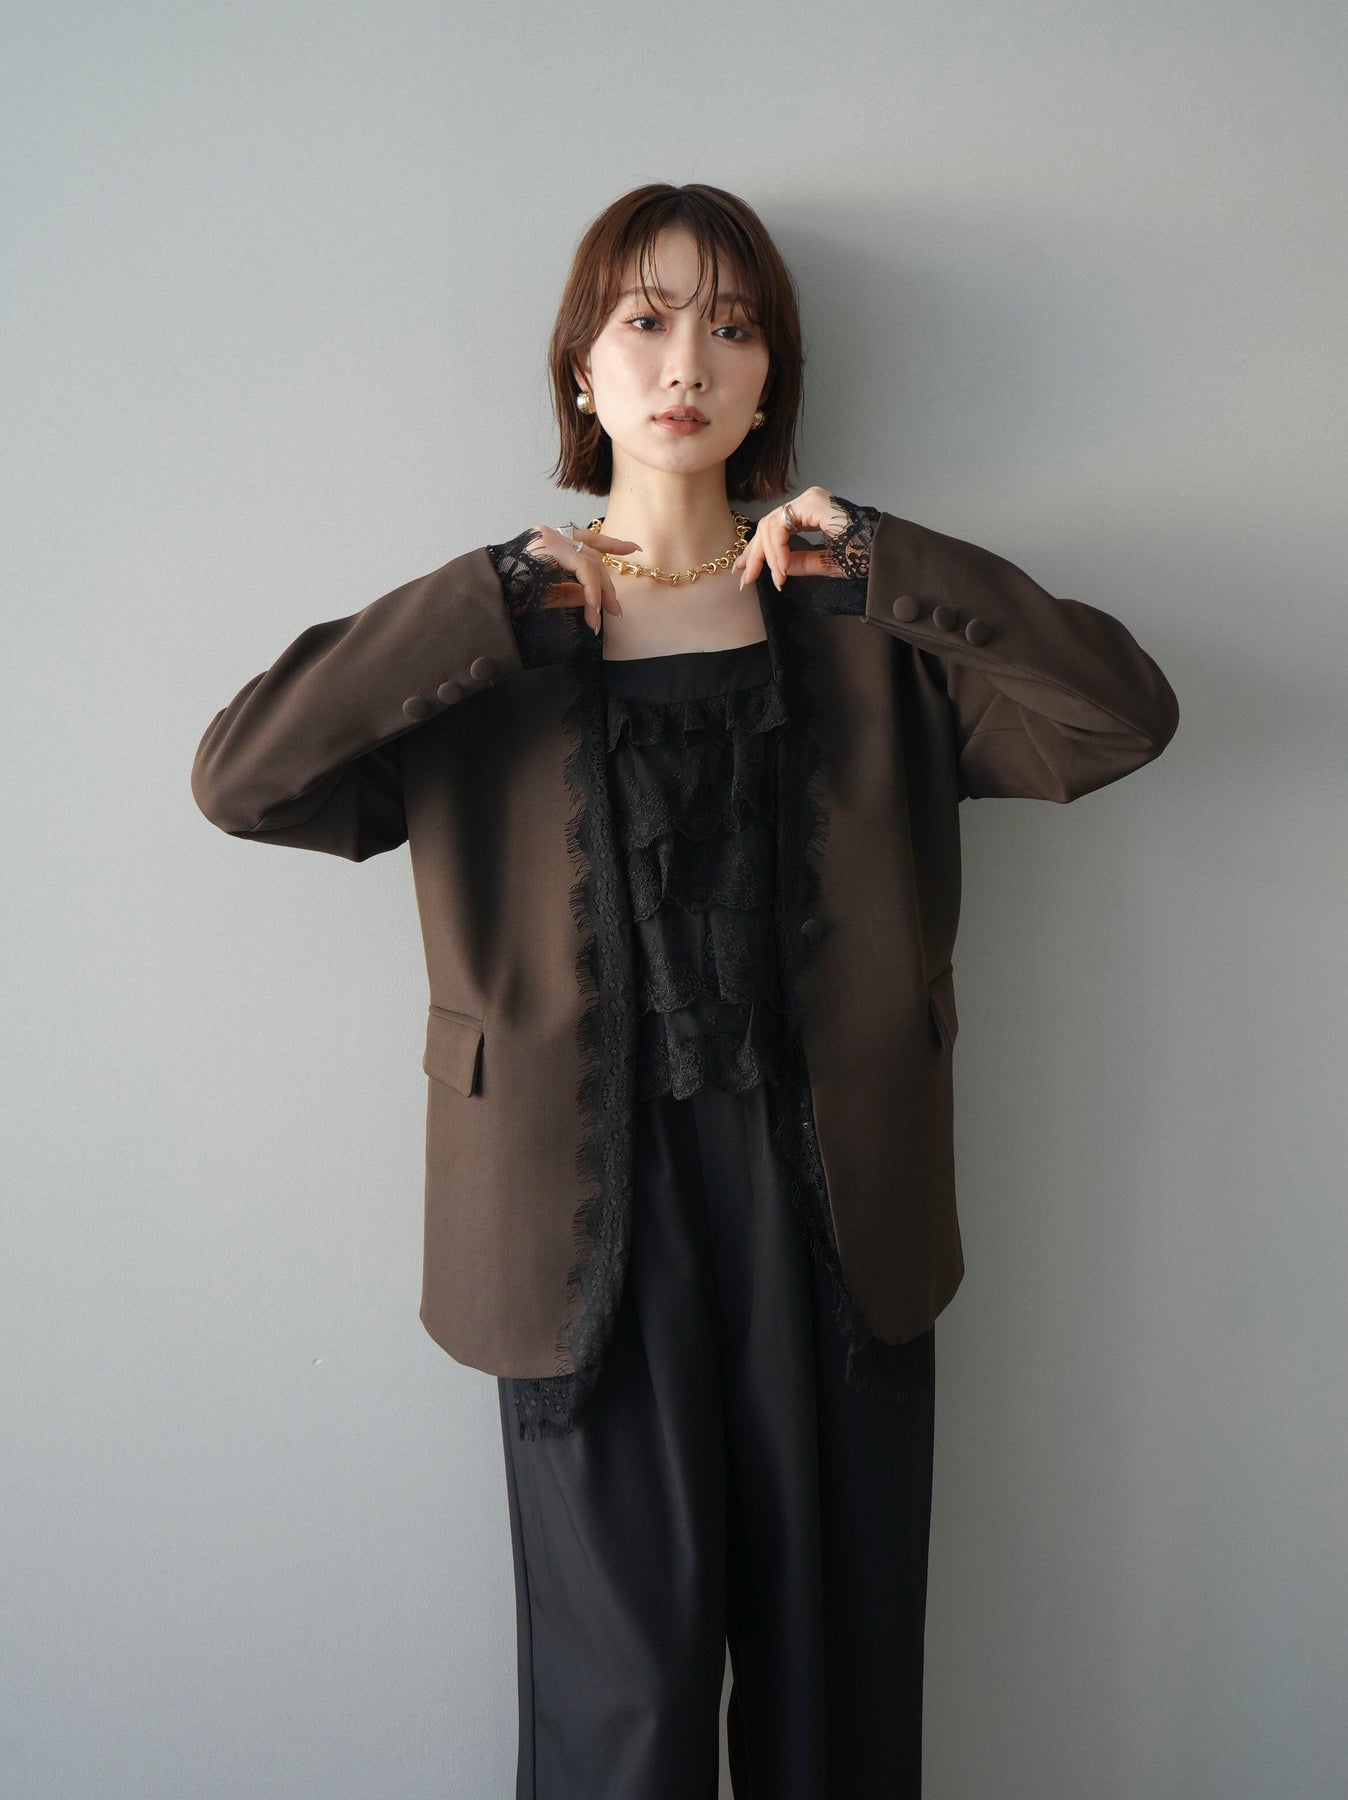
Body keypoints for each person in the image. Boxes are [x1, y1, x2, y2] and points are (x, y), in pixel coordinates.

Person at [191, 182, 1179, 1799]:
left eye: (732, 326)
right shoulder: (496, 639)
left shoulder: (859, 621)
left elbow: (1117, 717)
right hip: (580, 1224)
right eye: (644, 320)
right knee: (623, 1720)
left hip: (836, 1211)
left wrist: (892, 559)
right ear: (579, 369)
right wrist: (484, 598)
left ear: (772, 374)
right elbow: (245, 778)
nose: (687, 363)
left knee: (834, 1713)